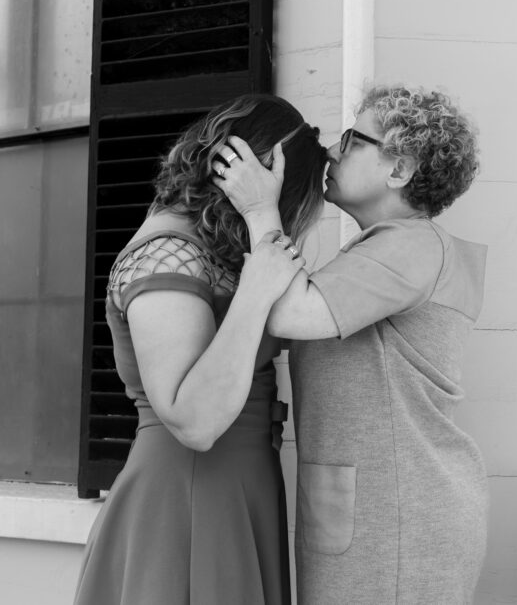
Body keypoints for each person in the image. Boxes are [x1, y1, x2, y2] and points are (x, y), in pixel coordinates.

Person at [216, 85, 488, 604]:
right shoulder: (381, 250)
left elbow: (288, 311)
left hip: (401, 516)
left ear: (399, 170)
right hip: (376, 507)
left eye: (352, 139)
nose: (333, 151)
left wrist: (258, 209)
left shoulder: (412, 245)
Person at [74, 94, 327, 605]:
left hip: (238, 491)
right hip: (187, 499)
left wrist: (261, 225)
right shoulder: (168, 255)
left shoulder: (214, 252)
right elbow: (193, 420)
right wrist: (257, 286)